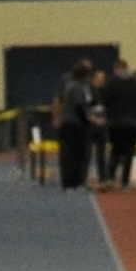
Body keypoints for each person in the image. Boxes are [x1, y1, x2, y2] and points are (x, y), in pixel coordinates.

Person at [98, 56, 136, 186]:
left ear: (116, 68)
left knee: (116, 151)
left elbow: (105, 101)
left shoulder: (112, 82)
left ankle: (110, 178)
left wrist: (106, 117)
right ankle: (125, 181)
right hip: (133, 122)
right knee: (129, 152)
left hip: (115, 122)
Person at [53, 59, 98, 191]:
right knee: (76, 155)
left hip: (68, 123)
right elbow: (79, 107)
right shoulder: (77, 87)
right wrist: (90, 120)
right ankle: (74, 183)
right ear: (85, 75)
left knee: (69, 154)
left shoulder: (69, 85)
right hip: (75, 125)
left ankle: (70, 183)